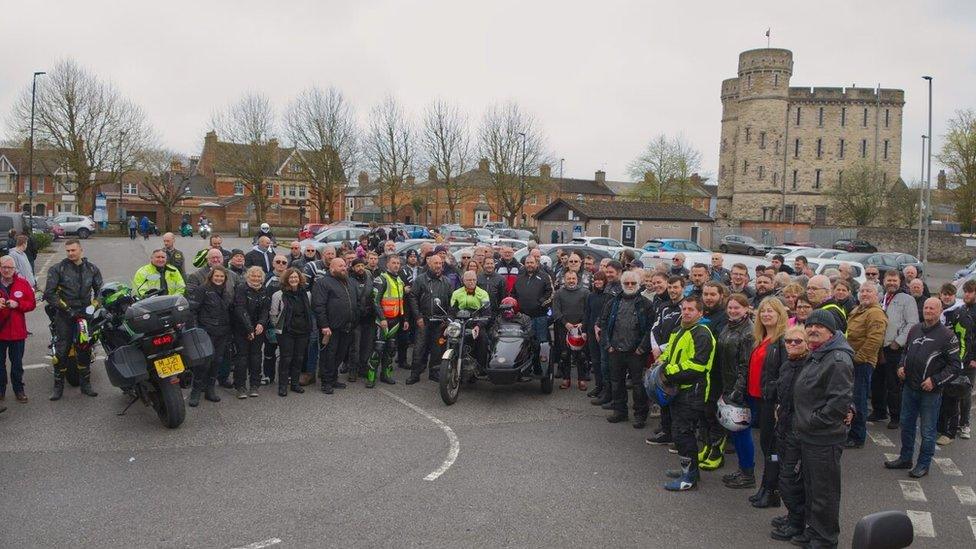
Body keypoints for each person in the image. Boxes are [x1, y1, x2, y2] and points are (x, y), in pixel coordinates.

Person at [794, 310, 854, 548]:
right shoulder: (818, 352)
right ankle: (814, 530)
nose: (812, 330)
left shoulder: (837, 359)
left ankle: (825, 538)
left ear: (831, 331)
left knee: (824, 492)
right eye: (809, 326)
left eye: (819, 326)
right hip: (810, 434)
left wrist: (812, 420)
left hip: (824, 437)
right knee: (811, 487)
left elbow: (839, 402)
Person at [885, 297, 961, 479]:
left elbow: (955, 367)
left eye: (932, 309)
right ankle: (905, 458)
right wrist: (901, 366)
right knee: (907, 425)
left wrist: (935, 381)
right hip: (910, 387)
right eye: (926, 308)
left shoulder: (948, 336)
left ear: (940, 310)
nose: (928, 311)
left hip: (930, 392)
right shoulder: (915, 329)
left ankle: (923, 464)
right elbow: (906, 352)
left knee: (927, 431)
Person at [657, 295, 715, 491]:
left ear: (700, 313)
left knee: (684, 434)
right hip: (678, 390)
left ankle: (689, 478)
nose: (687, 312)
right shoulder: (681, 328)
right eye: (684, 308)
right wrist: (660, 365)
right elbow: (669, 353)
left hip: (692, 392)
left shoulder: (702, 333)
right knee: (679, 432)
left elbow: (697, 366)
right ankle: (688, 470)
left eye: (691, 309)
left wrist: (667, 372)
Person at [44, 239, 103, 400]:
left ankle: (86, 385)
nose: (70, 253)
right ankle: (58, 387)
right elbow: (49, 293)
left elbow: (100, 291)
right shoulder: (58, 269)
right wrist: (68, 310)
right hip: (65, 316)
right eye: (68, 250)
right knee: (61, 352)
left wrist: (93, 307)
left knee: (84, 349)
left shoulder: (91, 268)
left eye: (73, 250)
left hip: (85, 315)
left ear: (80, 250)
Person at [744, 297, 788, 508]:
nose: (766, 315)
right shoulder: (760, 337)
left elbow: (785, 374)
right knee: (765, 445)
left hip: (771, 401)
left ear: (780, 315)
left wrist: (778, 401)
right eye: (763, 311)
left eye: (771, 311)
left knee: (771, 447)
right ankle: (765, 486)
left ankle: (772, 491)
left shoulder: (782, 341)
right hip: (758, 398)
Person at [769, 326, 810, 543]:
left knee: (790, 478)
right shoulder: (787, 365)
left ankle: (797, 522)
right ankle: (792, 516)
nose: (792, 345)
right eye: (789, 342)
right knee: (784, 475)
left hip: (798, 430)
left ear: (806, 343)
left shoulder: (810, 367)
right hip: (783, 427)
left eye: (797, 341)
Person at [601, 270, 653, 429]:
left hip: (636, 352)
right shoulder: (613, 302)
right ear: (622, 284)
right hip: (615, 350)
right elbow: (603, 324)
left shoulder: (646, 304)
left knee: (638, 385)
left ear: (638, 285)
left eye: (633, 283)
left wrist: (642, 348)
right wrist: (608, 345)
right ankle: (620, 411)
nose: (630, 286)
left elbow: (650, 328)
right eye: (626, 283)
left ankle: (640, 415)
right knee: (616, 382)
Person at [717, 294, 756, 488]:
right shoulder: (728, 326)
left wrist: (737, 393)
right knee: (735, 431)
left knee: (742, 431)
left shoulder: (749, 332)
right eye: (730, 307)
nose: (732, 311)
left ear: (746, 309)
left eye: (737, 308)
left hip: (739, 390)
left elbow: (745, 366)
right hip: (727, 384)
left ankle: (748, 473)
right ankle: (742, 469)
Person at [844, 281, 888, 448]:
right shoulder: (858, 310)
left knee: (858, 399)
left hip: (862, 363)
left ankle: (857, 436)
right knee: (852, 398)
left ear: (877, 295)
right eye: (862, 291)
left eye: (869, 291)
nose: (864, 294)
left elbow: (874, 340)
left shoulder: (875, 313)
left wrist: (858, 358)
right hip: (852, 361)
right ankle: (852, 432)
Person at [872, 269, 917, 429]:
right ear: (884, 281)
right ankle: (879, 411)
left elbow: (912, 323)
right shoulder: (881, 297)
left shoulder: (908, 299)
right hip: (878, 347)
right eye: (888, 280)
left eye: (894, 280)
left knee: (893, 384)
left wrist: (898, 342)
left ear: (900, 282)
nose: (891, 283)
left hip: (894, 348)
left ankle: (896, 416)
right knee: (877, 381)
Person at [187, 266, 234, 407]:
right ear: (211, 276)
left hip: (223, 332)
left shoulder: (225, 292)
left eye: (222, 277)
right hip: (206, 331)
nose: (219, 279)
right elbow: (193, 310)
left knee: (216, 361)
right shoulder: (202, 290)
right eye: (216, 276)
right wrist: (196, 330)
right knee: (204, 363)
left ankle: (210, 389)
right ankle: (195, 391)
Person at [406, 254, 457, 384]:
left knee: (437, 348)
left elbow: (453, 301)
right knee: (419, 347)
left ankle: (434, 373)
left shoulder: (447, 281)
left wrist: (448, 318)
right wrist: (418, 317)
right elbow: (412, 297)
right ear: (429, 264)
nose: (438, 266)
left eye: (440, 263)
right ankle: (415, 374)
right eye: (436, 263)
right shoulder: (421, 280)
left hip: (440, 321)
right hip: (424, 319)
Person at [312, 258, 358, 394]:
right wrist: (324, 325)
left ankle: (333, 378)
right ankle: (326, 382)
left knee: (340, 354)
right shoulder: (323, 283)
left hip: (347, 326)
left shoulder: (349, 281)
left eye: (345, 265)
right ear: (332, 268)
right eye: (340, 266)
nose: (344, 268)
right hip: (330, 328)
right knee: (328, 355)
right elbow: (318, 306)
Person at [936, 283, 974, 445]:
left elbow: (969, 339)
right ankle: (945, 425)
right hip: (955, 358)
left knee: (963, 392)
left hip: (967, 360)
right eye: (965, 291)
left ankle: (964, 424)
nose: (967, 294)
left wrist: (973, 358)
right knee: (950, 391)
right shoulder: (960, 310)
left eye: (971, 292)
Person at [269, 268, 311, 396]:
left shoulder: (306, 294)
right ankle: (282, 386)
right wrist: (278, 327)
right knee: (286, 359)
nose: (294, 280)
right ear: (286, 279)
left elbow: (309, 312)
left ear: (300, 279)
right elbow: (273, 314)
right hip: (286, 332)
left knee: (299, 358)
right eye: (291, 277)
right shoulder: (278, 295)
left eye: (296, 277)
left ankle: (295, 384)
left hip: (302, 331)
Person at [0, 256, 36, 404]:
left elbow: (32, 304)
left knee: (16, 364)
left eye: (9, 267)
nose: (6, 270)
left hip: (17, 333)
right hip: (1, 332)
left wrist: (18, 304)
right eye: (3, 267)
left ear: (14, 269)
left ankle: (18, 390)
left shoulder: (22, 283)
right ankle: (1, 391)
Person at [369, 254, 408, 387]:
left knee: (391, 349)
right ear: (387, 264)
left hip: (396, 320)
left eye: (398, 263)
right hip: (383, 321)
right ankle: (371, 377)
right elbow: (375, 301)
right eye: (393, 263)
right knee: (378, 348)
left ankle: (386, 375)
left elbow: (401, 302)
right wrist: (382, 318)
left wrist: (405, 319)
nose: (396, 265)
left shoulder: (400, 280)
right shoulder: (381, 279)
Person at [232, 266, 270, 399]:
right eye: (253, 276)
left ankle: (255, 385)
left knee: (256, 357)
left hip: (258, 329)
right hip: (242, 329)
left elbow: (266, 310)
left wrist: (261, 323)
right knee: (242, 358)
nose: (256, 278)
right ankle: (240, 386)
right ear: (248, 277)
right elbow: (240, 309)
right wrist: (249, 329)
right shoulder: (242, 289)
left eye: (259, 276)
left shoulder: (264, 290)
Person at [552, 270, 590, 390]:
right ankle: (566, 379)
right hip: (564, 328)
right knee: (565, 355)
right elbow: (556, 310)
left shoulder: (585, 292)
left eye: (573, 278)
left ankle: (582, 380)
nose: (571, 281)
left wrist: (582, 324)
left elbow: (588, 310)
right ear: (564, 279)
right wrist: (565, 323)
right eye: (569, 278)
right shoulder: (558, 293)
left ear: (577, 279)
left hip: (580, 328)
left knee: (581, 356)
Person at [449, 270, 491, 371]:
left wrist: (479, 326)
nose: (471, 282)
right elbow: (451, 311)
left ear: (476, 280)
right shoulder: (456, 293)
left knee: (483, 339)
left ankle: (481, 368)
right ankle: (448, 363)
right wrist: (451, 322)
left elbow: (487, 313)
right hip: (460, 321)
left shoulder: (483, 293)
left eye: (473, 280)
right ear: (463, 281)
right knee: (448, 336)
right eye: (468, 280)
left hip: (476, 320)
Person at [511, 255, 554, 347]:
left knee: (541, 343)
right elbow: (513, 294)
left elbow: (550, 293)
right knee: (524, 343)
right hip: (523, 318)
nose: (529, 265)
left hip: (539, 317)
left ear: (536, 263)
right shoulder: (519, 278)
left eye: (531, 262)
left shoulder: (545, 276)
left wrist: (540, 303)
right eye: (527, 263)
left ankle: (540, 361)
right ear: (524, 264)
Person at [584, 271, 609, 398]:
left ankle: (606, 388)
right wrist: (584, 331)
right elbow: (587, 313)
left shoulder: (608, 296)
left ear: (605, 281)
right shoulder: (590, 296)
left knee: (604, 361)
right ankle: (598, 386)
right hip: (591, 331)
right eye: (596, 280)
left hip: (603, 332)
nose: (598, 282)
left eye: (600, 280)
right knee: (595, 361)